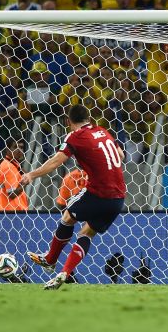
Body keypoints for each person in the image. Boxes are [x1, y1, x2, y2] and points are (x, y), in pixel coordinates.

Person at [23, 104, 126, 290]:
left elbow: (56, 162)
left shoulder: (75, 136)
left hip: (98, 192)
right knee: (87, 233)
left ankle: (50, 259)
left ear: (68, 121)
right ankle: (65, 272)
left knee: (68, 216)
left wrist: (31, 175)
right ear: (89, 118)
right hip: (118, 198)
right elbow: (120, 154)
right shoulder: (103, 131)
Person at [0, 138, 28, 212]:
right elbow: (12, 194)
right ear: (7, 149)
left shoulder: (13, 165)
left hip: (8, 212)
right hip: (10, 213)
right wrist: (25, 182)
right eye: (15, 147)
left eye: (21, 147)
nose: (19, 150)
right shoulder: (9, 167)